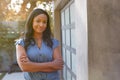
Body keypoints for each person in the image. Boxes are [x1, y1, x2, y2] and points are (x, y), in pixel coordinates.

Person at [15, 8, 64, 80]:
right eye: (38, 21)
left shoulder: (53, 42)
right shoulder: (21, 43)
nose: (41, 24)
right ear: (31, 22)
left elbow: (58, 65)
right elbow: (24, 67)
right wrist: (51, 65)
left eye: (44, 22)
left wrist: (31, 66)